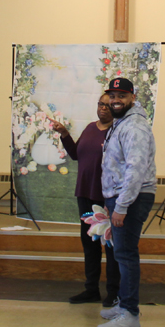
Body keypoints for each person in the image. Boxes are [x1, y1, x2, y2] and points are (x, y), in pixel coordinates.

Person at [50, 94, 120, 307]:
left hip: (106, 197)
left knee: (109, 245)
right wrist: (64, 134)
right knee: (89, 243)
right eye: (101, 104)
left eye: (108, 106)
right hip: (85, 194)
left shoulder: (117, 131)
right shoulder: (91, 128)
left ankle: (113, 292)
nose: (103, 109)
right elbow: (75, 154)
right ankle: (91, 289)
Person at [99, 78, 156, 327]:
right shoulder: (120, 123)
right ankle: (124, 305)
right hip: (120, 196)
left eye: (121, 96)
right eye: (112, 96)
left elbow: (135, 169)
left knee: (126, 254)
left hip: (132, 197)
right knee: (121, 253)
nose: (115, 100)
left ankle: (130, 314)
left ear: (132, 97)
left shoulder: (134, 126)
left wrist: (121, 206)